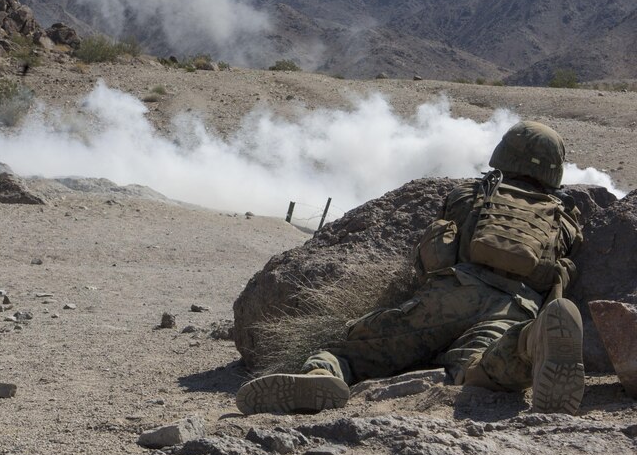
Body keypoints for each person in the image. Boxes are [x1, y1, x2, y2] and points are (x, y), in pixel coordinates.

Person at [236, 121, 586, 416]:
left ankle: (322, 372)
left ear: (503, 154)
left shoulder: (469, 195)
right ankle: (530, 344)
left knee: (357, 349)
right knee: (477, 367)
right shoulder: (566, 219)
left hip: (452, 293)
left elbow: (431, 255)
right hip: (516, 307)